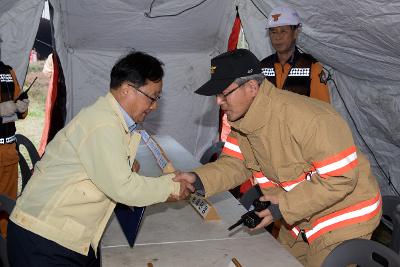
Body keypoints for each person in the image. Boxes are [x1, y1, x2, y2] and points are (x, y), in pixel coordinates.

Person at [175, 49, 382, 267]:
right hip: (298, 214)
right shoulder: (242, 122)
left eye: (224, 93)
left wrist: (283, 206)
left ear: (252, 87)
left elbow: (340, 179)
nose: (218, 101)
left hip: (343, 218)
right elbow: (235, 164)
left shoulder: (312, 120)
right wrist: (198, 179)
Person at [7, 51, 190, 266]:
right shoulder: (103, 123)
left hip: (65, 237)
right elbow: (123, 187)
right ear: (127, 90)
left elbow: (110, 169)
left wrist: (124, 166)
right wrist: (172, 187)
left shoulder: (110, 118)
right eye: (152, 97)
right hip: (44, 240)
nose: (154, 106)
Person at [261, 6, 330, 103]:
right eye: (273, 32)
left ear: (296, 32)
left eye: (283, 31)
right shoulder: (262, 67)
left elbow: (323, 109)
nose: (278, 37)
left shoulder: (312, 67)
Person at [0, 57, 29, 238]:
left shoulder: (7, 71)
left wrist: (22, 105)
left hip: (8, 150)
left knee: (6, 206)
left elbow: (21, 103)